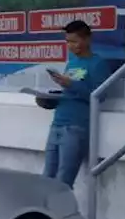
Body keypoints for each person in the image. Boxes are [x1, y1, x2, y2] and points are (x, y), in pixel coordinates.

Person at [42, 19, 114, 188]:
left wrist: (71, 84)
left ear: (87, 39)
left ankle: (59, 213)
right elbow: (70, 92)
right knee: (46, 179)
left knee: (62, 182)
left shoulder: (97, 64)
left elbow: (99, 96)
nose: (71, 46)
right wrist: (51, 99)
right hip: (57, 124)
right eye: (67, 41)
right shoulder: (72, 63)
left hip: (75, 128)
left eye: (74, 41)